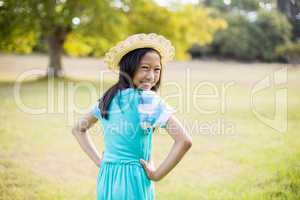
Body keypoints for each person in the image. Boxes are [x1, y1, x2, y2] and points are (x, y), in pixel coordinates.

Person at [72, 33, 192, 200]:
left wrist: (100, 161)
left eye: (157, 69)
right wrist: (156, 175)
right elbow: (184, 141)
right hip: (134, 181)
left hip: (107, 179)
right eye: (145, 68)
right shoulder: (149, 100)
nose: (151, 76)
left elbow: (78, 129)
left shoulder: (108, 97)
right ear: (129, 67)